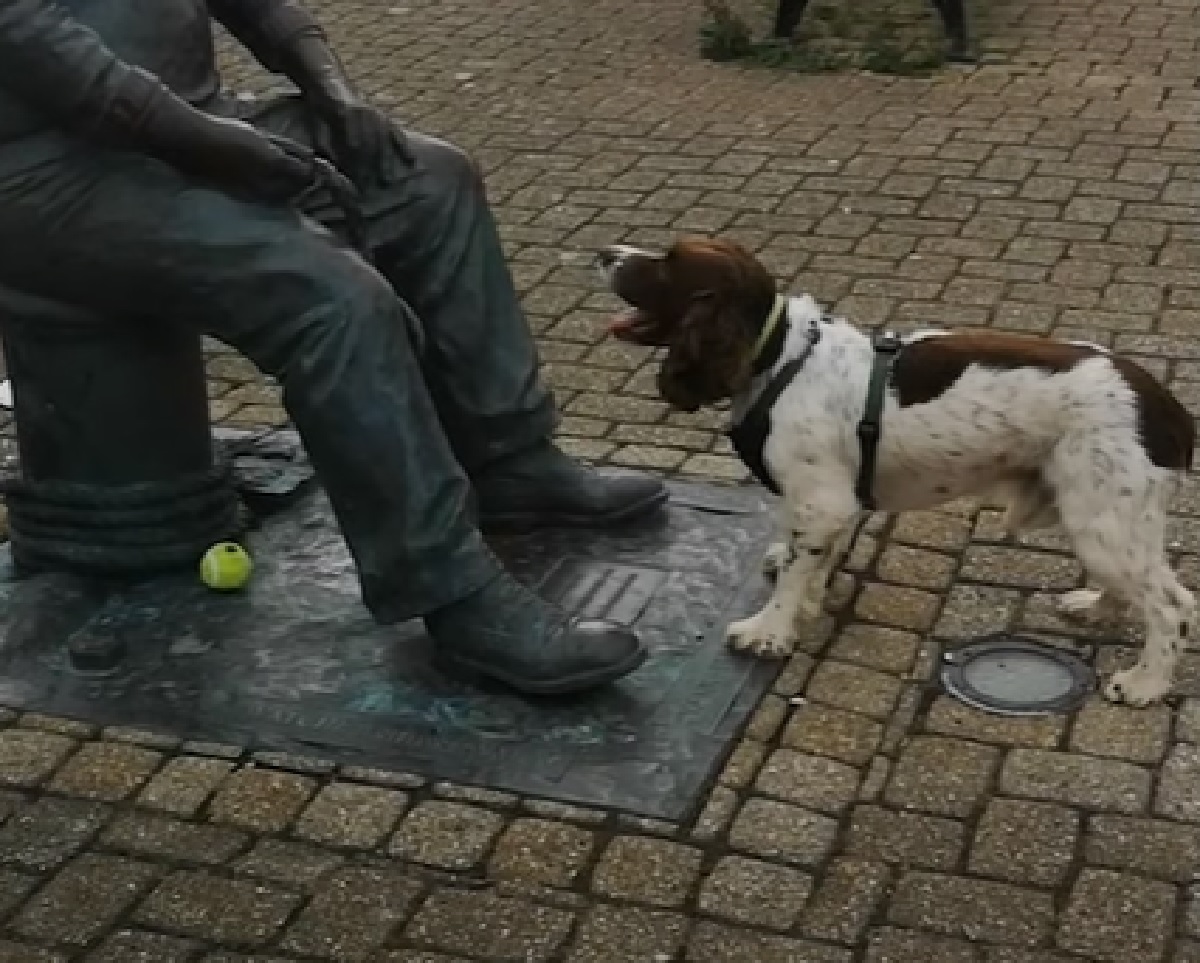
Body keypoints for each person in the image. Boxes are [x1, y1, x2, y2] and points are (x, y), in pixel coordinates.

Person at [0, 0, 668, 695]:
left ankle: (511, 458)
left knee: (430, 180)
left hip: (190, 123)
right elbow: (83, 80)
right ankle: (452, 589)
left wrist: (333, 90)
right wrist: (240, 154)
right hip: (47, 172)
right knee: (330, 297)